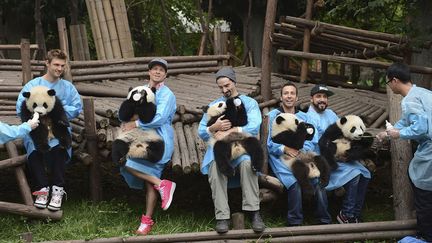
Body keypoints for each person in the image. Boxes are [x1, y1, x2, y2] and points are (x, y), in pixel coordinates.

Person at [198, 66, 265, 234]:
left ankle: (254, 212)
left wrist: (229, 131)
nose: (224, 90)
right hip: (221, 151)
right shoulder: (216, 105)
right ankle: (222, 217)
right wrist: (214, 126)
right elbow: (201, 131)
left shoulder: (249, 103)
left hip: (242, 149)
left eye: (227, 85)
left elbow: (254, 125)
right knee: (215, 167)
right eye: (221, 87)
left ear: (234, 82)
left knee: (247, 164)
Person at [16, 49, 82, 211]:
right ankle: (42, 189)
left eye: (62, 66)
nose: (59, 69)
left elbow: (77, 107)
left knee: (61, 145)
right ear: (47, 63)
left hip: (58, 127)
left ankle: (57, 189)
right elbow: (21, 107)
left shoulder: (68, 87)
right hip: (37, 127)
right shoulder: (32, 85)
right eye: (56, 65)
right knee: (34, 145)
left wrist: (57, 109)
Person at [119, 58, 177, 235]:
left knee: (149, 179)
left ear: (165, 74)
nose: (158, 72)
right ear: (149, 72)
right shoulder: (140, 90)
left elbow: (159, 118)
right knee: (125, 162)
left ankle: (147, 220)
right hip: (140, 138)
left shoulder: (167, 94)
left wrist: (136, 124)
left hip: (159, 138)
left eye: (161, 70)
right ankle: (162, 184)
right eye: (155, 69)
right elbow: (126, 109)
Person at [376, 63, 432, 243]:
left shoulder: (408, 100)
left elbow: (421, 127)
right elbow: (407, 120)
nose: (390, 87)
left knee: (423, 191)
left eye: (388, 83)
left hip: (429, 152)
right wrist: (387, 134)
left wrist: (398, 134)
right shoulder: (424, 93)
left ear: (394, 80)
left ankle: (425, 235)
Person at [266, 82, 331, 226]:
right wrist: (284, 149)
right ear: (281, 97)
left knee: (318, 181)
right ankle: (295, 222)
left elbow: (312, 139)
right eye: (286, 93)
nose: (289, 96)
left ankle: (324, 220)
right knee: (294, 183)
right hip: (280, 157)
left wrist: (301, 150)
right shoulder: (272, 116)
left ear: (296, 98)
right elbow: (268, 142)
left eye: (292, 93)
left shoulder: (305, 117)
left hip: (303, 155)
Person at [304, 84, 371, 224]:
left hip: (337, 156)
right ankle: (344, 214)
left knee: (365, 173)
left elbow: (343, 133)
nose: (322, 100)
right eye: (318, 96)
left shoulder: (332, 114)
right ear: (311, 99)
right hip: (320, 159)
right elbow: (315, 144)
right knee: (355, 175)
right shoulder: (308, 117)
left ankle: (354, 213)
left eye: (324, 97)